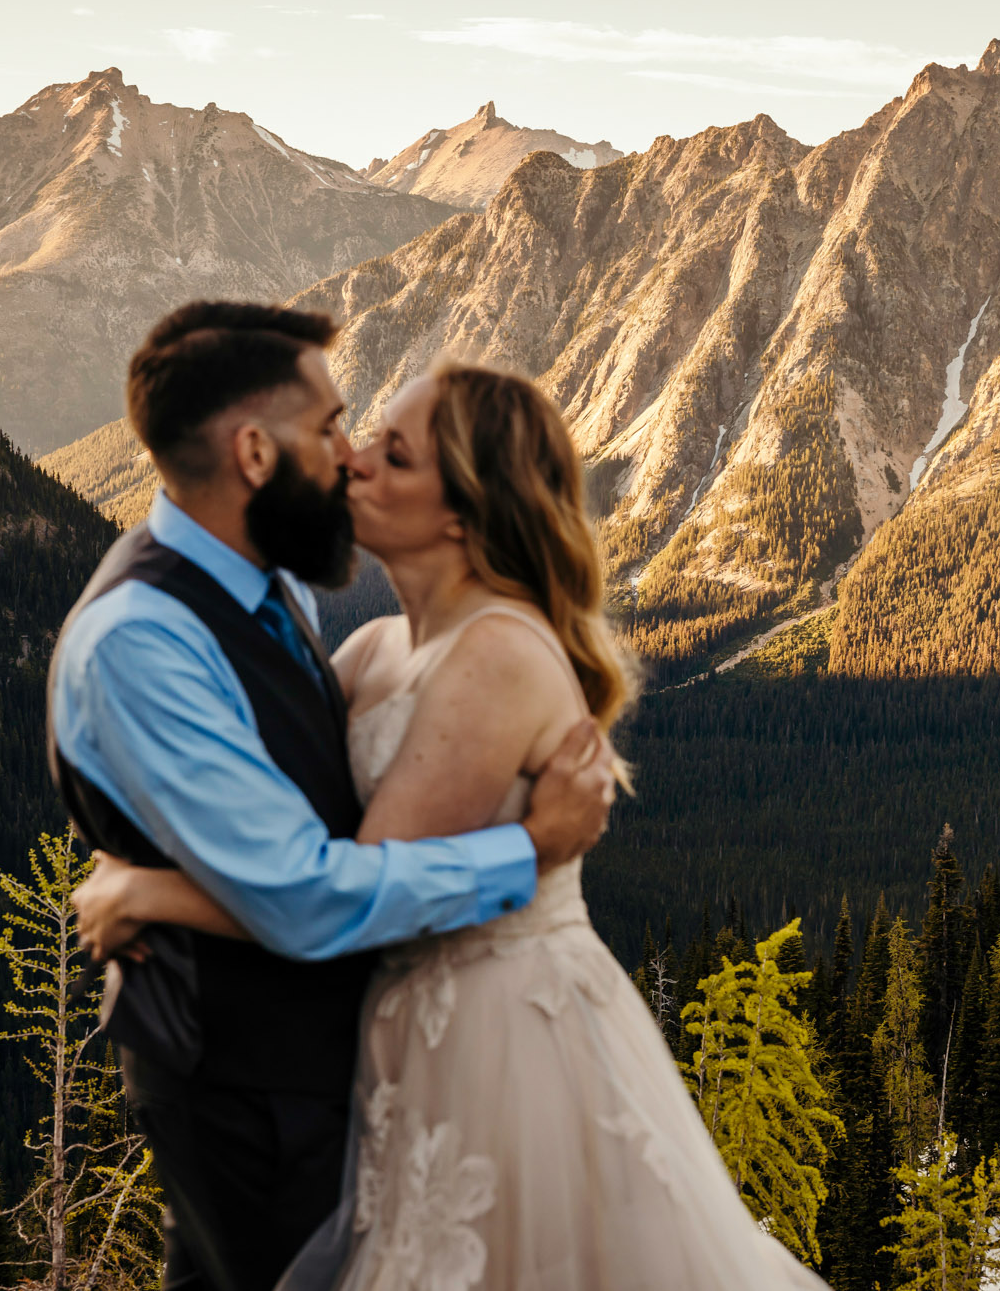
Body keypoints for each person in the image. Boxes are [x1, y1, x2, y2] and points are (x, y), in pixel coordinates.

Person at [76, 363, 830, 1289]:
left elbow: (355, 889)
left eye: (393, 455)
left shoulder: (499, 654)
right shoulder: (374, 649)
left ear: (463, 516)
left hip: (503, 1041)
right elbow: (286, 848)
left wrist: (153, 893)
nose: (350, 461)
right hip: (408, 1044)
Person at [50, 302, 618, 1291]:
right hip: (241, 1081)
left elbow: (306, 840)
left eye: (377, 442)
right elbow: (306, 888)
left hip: (383, 1061)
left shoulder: (275, 593)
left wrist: (145, 886)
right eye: (331, 428)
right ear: (256, 453)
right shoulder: (143, 637)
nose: (349, 455)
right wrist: (528, 849)